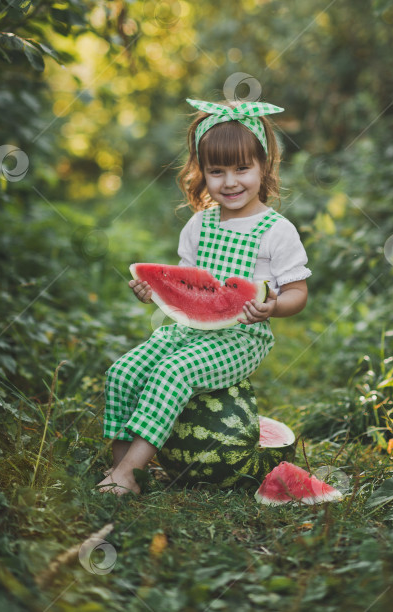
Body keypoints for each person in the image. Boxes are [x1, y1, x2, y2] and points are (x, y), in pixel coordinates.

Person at [98, 97, 312, 495]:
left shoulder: (276, 230)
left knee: (172, 374)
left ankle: (129, 472)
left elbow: (298, 293)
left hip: (242, 339)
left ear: (263, 166)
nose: (230, 182)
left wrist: (272, 307)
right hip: (185, 332)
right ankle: (121, 470)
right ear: (203, 173)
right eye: (217, 171)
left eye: (242, 169)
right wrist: (154, 293)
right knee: (121, 374)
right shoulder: (199, 224)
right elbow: (186, 285)